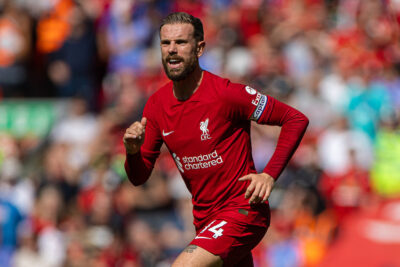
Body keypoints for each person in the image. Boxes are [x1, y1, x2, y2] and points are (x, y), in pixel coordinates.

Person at [123, 12, 309, 267]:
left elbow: (294, 119)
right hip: (205, 221)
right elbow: (138, 176)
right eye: (166, 44)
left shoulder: (226, 94)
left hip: (243, 211)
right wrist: (132, 151)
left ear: (199, 49)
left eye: (181, 43)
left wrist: (269, 175)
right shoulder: (156, 105)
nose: (172, 50)